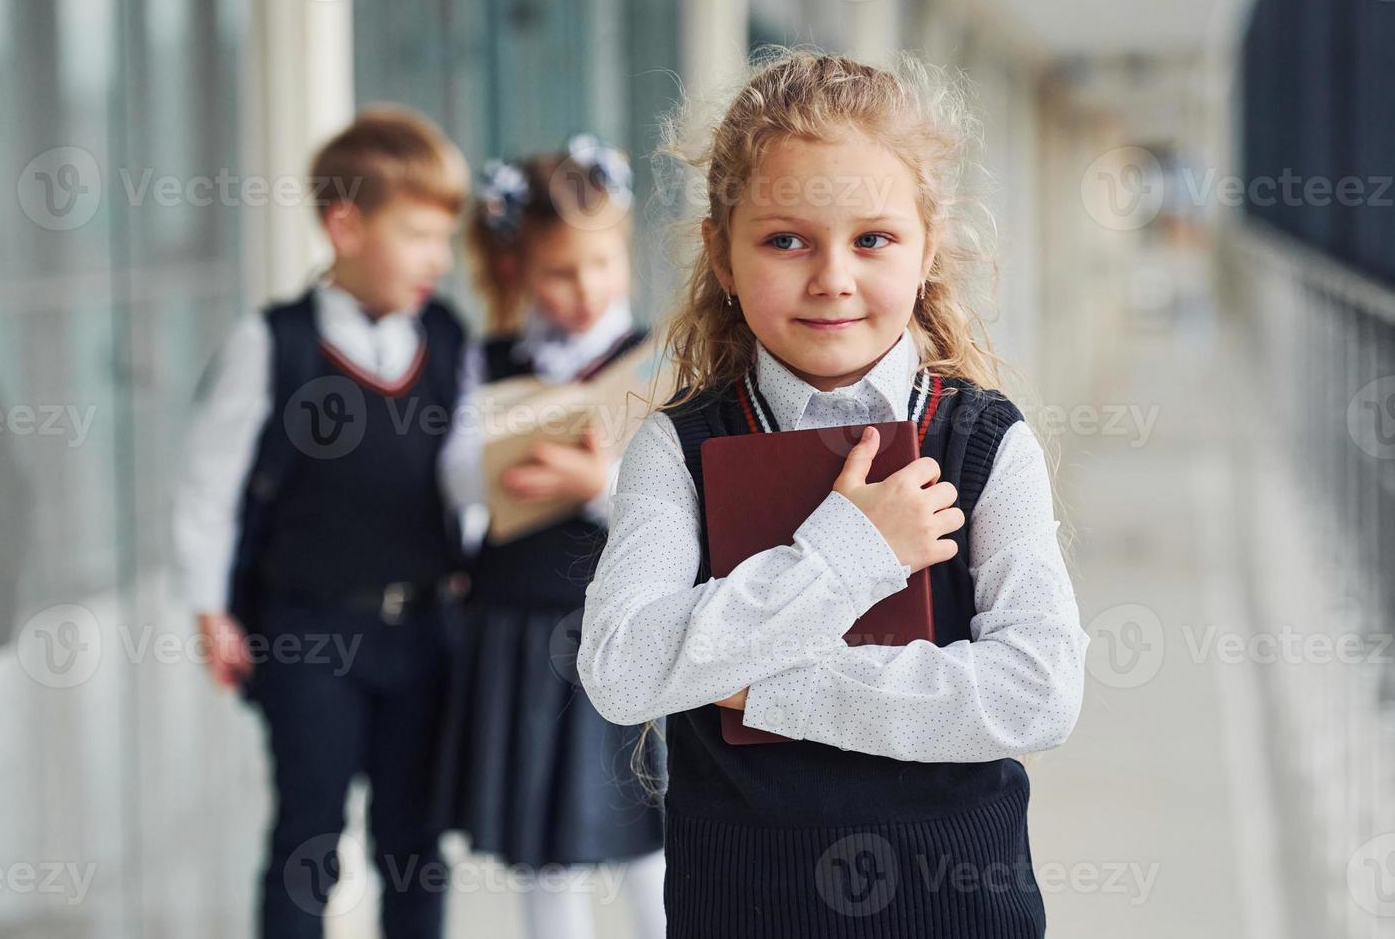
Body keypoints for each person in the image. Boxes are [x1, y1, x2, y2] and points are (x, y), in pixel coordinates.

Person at [578, 49, 1091, 937]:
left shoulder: (985, 441)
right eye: (786, 239)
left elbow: (1037, 691)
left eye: (873, 239)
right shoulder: (677, 448)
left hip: (959, 911)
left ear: (928, 247)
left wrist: (769, 688)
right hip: (743, 910)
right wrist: (850, 555)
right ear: (722, 256)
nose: (833, 277)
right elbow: (623, 667)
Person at [174, 107, 470, 938]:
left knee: (414, 841)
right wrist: (209, 609)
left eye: (444, 238)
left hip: (422, 635)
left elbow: (468, 477)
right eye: (417, 235)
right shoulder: (274, 342)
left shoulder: (447, 339)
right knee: (309, 834)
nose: (437, 261)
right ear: (344, 224)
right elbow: (210, 486)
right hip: (305, 633)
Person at [433, 136, 667, 939]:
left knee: (650, 842)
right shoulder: (488, 360)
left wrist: (594, 484)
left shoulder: (657, 363)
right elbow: (458, 479)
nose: (585, 290)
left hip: (625, 627)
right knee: (548, 854)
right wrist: (508, 460)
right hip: (523, 627)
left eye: (601, 267)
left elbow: (678, 508)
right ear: (518, 270)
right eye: (561, 272)